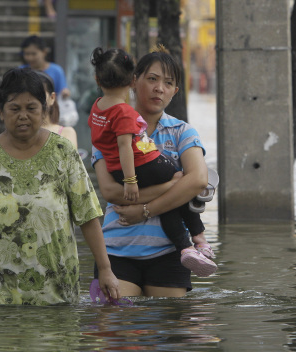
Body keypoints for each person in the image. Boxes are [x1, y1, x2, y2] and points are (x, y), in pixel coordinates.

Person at [0, 68, 119, 306]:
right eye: (15, 108)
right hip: (4, 297)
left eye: (31, 108)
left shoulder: (63, 152)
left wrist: (105, 269)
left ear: (44, 111)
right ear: (1, 112)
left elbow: (88, 216)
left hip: (59, 294)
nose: (23, 115)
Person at [92, 45, 216, 297]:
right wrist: (173, 185)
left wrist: (144, 211)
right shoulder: (107, 128)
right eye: (152, 79)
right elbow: (111, 191)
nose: (160, 88)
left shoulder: (182, 132)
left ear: (175, 91)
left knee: (169, 329)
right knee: (118, 330)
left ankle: (199, 244)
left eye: (168, 83)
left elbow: (198, 180)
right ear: (133, 81)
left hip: (171, 253)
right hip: (117, 251)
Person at [35, 71, 77, 148]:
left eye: (40, 95)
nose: (34, 100)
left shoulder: (66, 133)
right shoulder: (18, 133)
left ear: (52, 98)